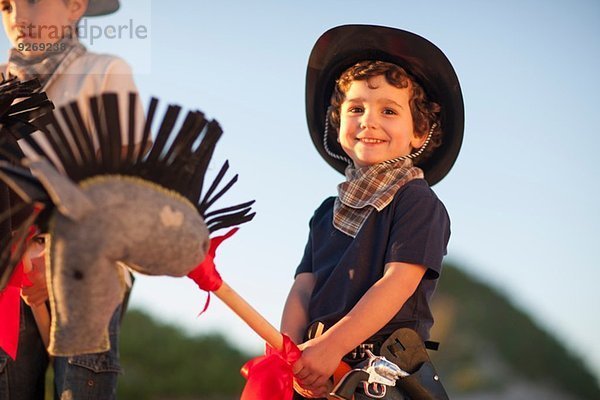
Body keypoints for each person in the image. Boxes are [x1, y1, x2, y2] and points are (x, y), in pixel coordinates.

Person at [280, 25, 464, 399]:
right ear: (339, 121)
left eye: (389, 110)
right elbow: (304, 287)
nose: (369, 120)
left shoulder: (416, 201)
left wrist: (331, 347)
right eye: (356, 108)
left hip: (380, 374)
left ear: (419, 132)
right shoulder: (325, 212)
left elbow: (395, 284)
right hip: (317, 371)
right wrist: (288, 354)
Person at [0, 1, 143, 399]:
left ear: (75, 6)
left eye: (31, 1)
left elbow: (125, 181)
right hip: (7, 275)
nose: (18, 18)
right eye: (6, 5)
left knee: (79, 389)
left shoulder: (104, 72)